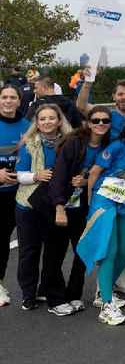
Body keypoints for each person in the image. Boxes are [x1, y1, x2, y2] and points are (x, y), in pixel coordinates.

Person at [78, 108, 125, 325]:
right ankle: (107, 305)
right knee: (110, 250)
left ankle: (105, 289)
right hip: (104, 201)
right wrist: (91, 204)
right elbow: (95, 173)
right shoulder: (116, 146)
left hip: (124, 203)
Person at [44, 106, 111, 316]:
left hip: (83, 208)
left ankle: (74, 295)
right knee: (55, 253)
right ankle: (55, 299)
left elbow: (110, 177)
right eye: (96, 120)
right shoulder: (73, 145)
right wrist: (59, 208)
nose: (101, 124)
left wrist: (87, 182)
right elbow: (58, 178)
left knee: (82, 252)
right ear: (88, 123)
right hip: (59, 205)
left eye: (105, 121)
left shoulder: (109, 147)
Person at [14, 105, 72, 313]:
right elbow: (19, 175)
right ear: (36, 123)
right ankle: (28, 295)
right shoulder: (28, 144)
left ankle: (45, 288)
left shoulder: (69, 142)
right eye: (42, 119)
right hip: (28, 205)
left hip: (55, 205)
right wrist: (36, 176)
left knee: (54, 252)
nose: (47, 122)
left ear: (59, 120)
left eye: (51, 118)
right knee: (29, 251)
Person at [0, 85, 28, 306]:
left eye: (12, 98)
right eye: (4, 97)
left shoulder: (28, 127)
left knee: (29, 243)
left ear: (19, 101)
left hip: (19, 193)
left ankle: (33, 287)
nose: (8, 101)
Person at [77, 68, 125, 142]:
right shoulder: (106, 117)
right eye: (120, 94)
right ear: (114, 97)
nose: (124, 97)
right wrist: (87, 83)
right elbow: (81, 106)